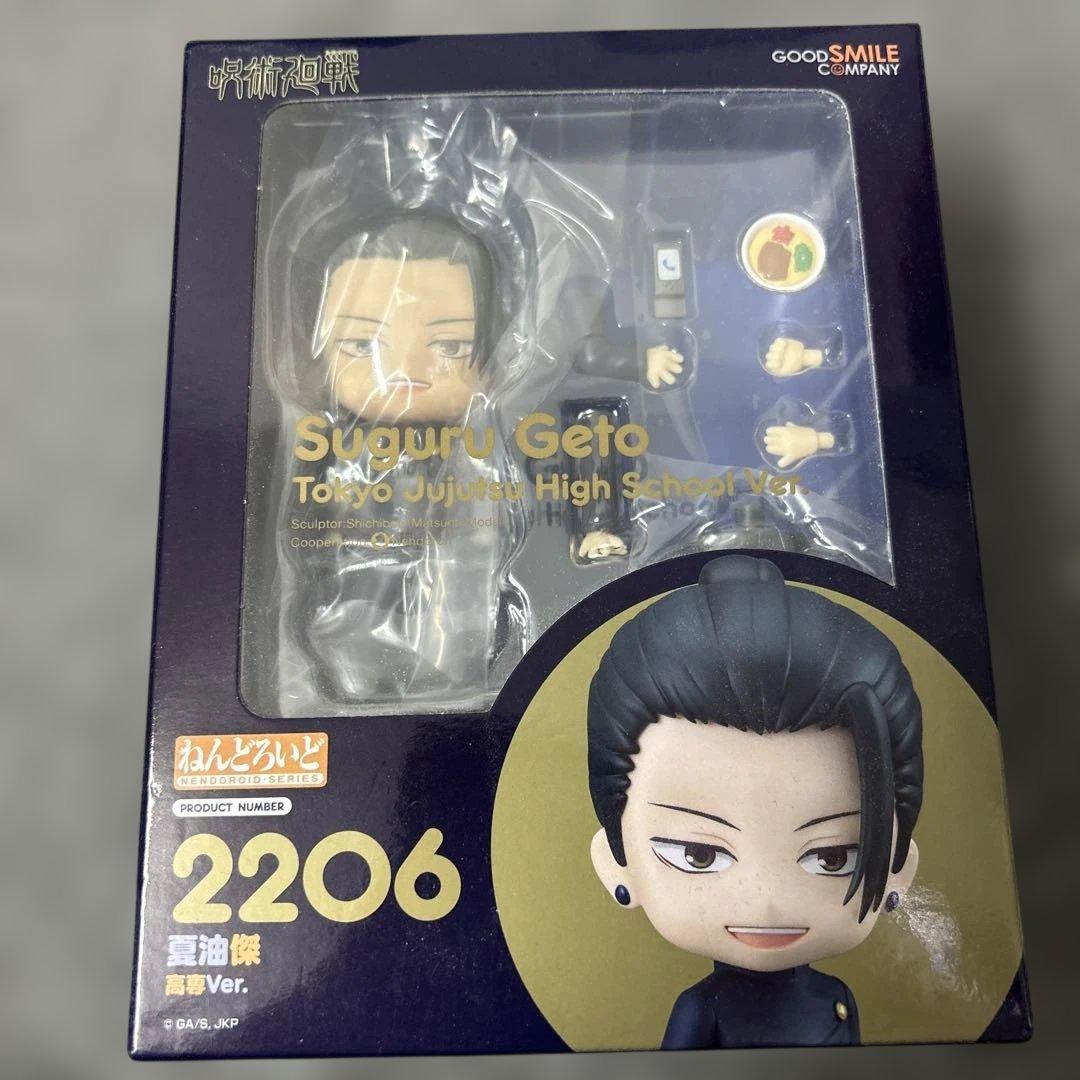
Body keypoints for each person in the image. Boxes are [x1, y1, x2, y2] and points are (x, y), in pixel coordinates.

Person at [587, 554, 924, 1048]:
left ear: (899, 868)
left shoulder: (836, 998)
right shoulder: (702, 1009)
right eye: (698, 855)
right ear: (616, 862)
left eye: (833, 857)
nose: (766, 898)